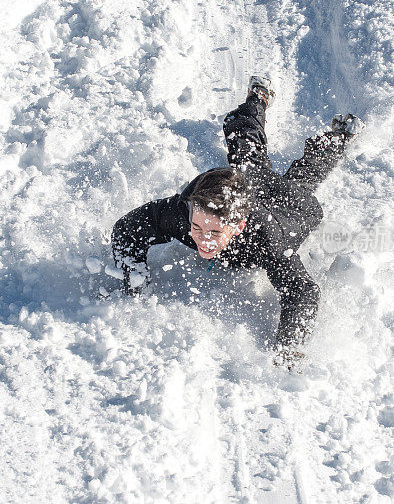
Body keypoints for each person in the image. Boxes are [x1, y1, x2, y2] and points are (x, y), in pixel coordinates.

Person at [111, 76, 364, 364]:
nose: (203, 239)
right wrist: (133, 281)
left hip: (284, 206)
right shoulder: (181, 213)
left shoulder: (267, 238)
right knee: (245, 147)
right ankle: (258, 99)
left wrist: (288, 348)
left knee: (302, 181)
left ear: (238, 226)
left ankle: (339, 137)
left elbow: (303, 291)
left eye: (215, 232)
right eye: (197, 227)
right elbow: (127, 229)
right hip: (245, 184)